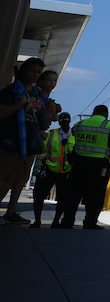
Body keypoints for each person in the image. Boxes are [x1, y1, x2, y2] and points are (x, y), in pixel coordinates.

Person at [2, 68, 58, 223]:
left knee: (22, 176)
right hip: (25, 139)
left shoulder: (46, 100)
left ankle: (11, 210)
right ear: (40, 82)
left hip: (32, 140)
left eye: (54, 80)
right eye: (49, 80)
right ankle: (10, 210)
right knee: (12, 175)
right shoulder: (35, 96)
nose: (52, 83)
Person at [54, 104, 110, 229]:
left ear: (93, 113)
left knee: (73, 193)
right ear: (105, 114)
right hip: (99, 165)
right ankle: (90, 222)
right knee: (96, 194)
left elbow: (71, 137)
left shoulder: (79, 125)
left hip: (79, 163)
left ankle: (67, 221)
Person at [0, 57, 44, 226]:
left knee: (15, 178)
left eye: (38, 72)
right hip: (10, 139)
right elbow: (2, 113)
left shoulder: (35, 94)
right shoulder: (12, 91)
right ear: (24, 70)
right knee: (4, 177)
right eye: (32, 71)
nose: (35, 75)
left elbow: (37, 116)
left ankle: (11, 212)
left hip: (26, 144)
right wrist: (19, 104)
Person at [30, 112, 74, 228]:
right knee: (39, 195)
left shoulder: (74, 136)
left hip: (65, 172)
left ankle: (56, 221)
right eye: (62, 121)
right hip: (50, 169)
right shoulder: (52, 134)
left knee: (63, 198)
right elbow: (43, 147)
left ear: (69, 121)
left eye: (66, 120)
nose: (64, 122)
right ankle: (37, 220)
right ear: (59, 122)